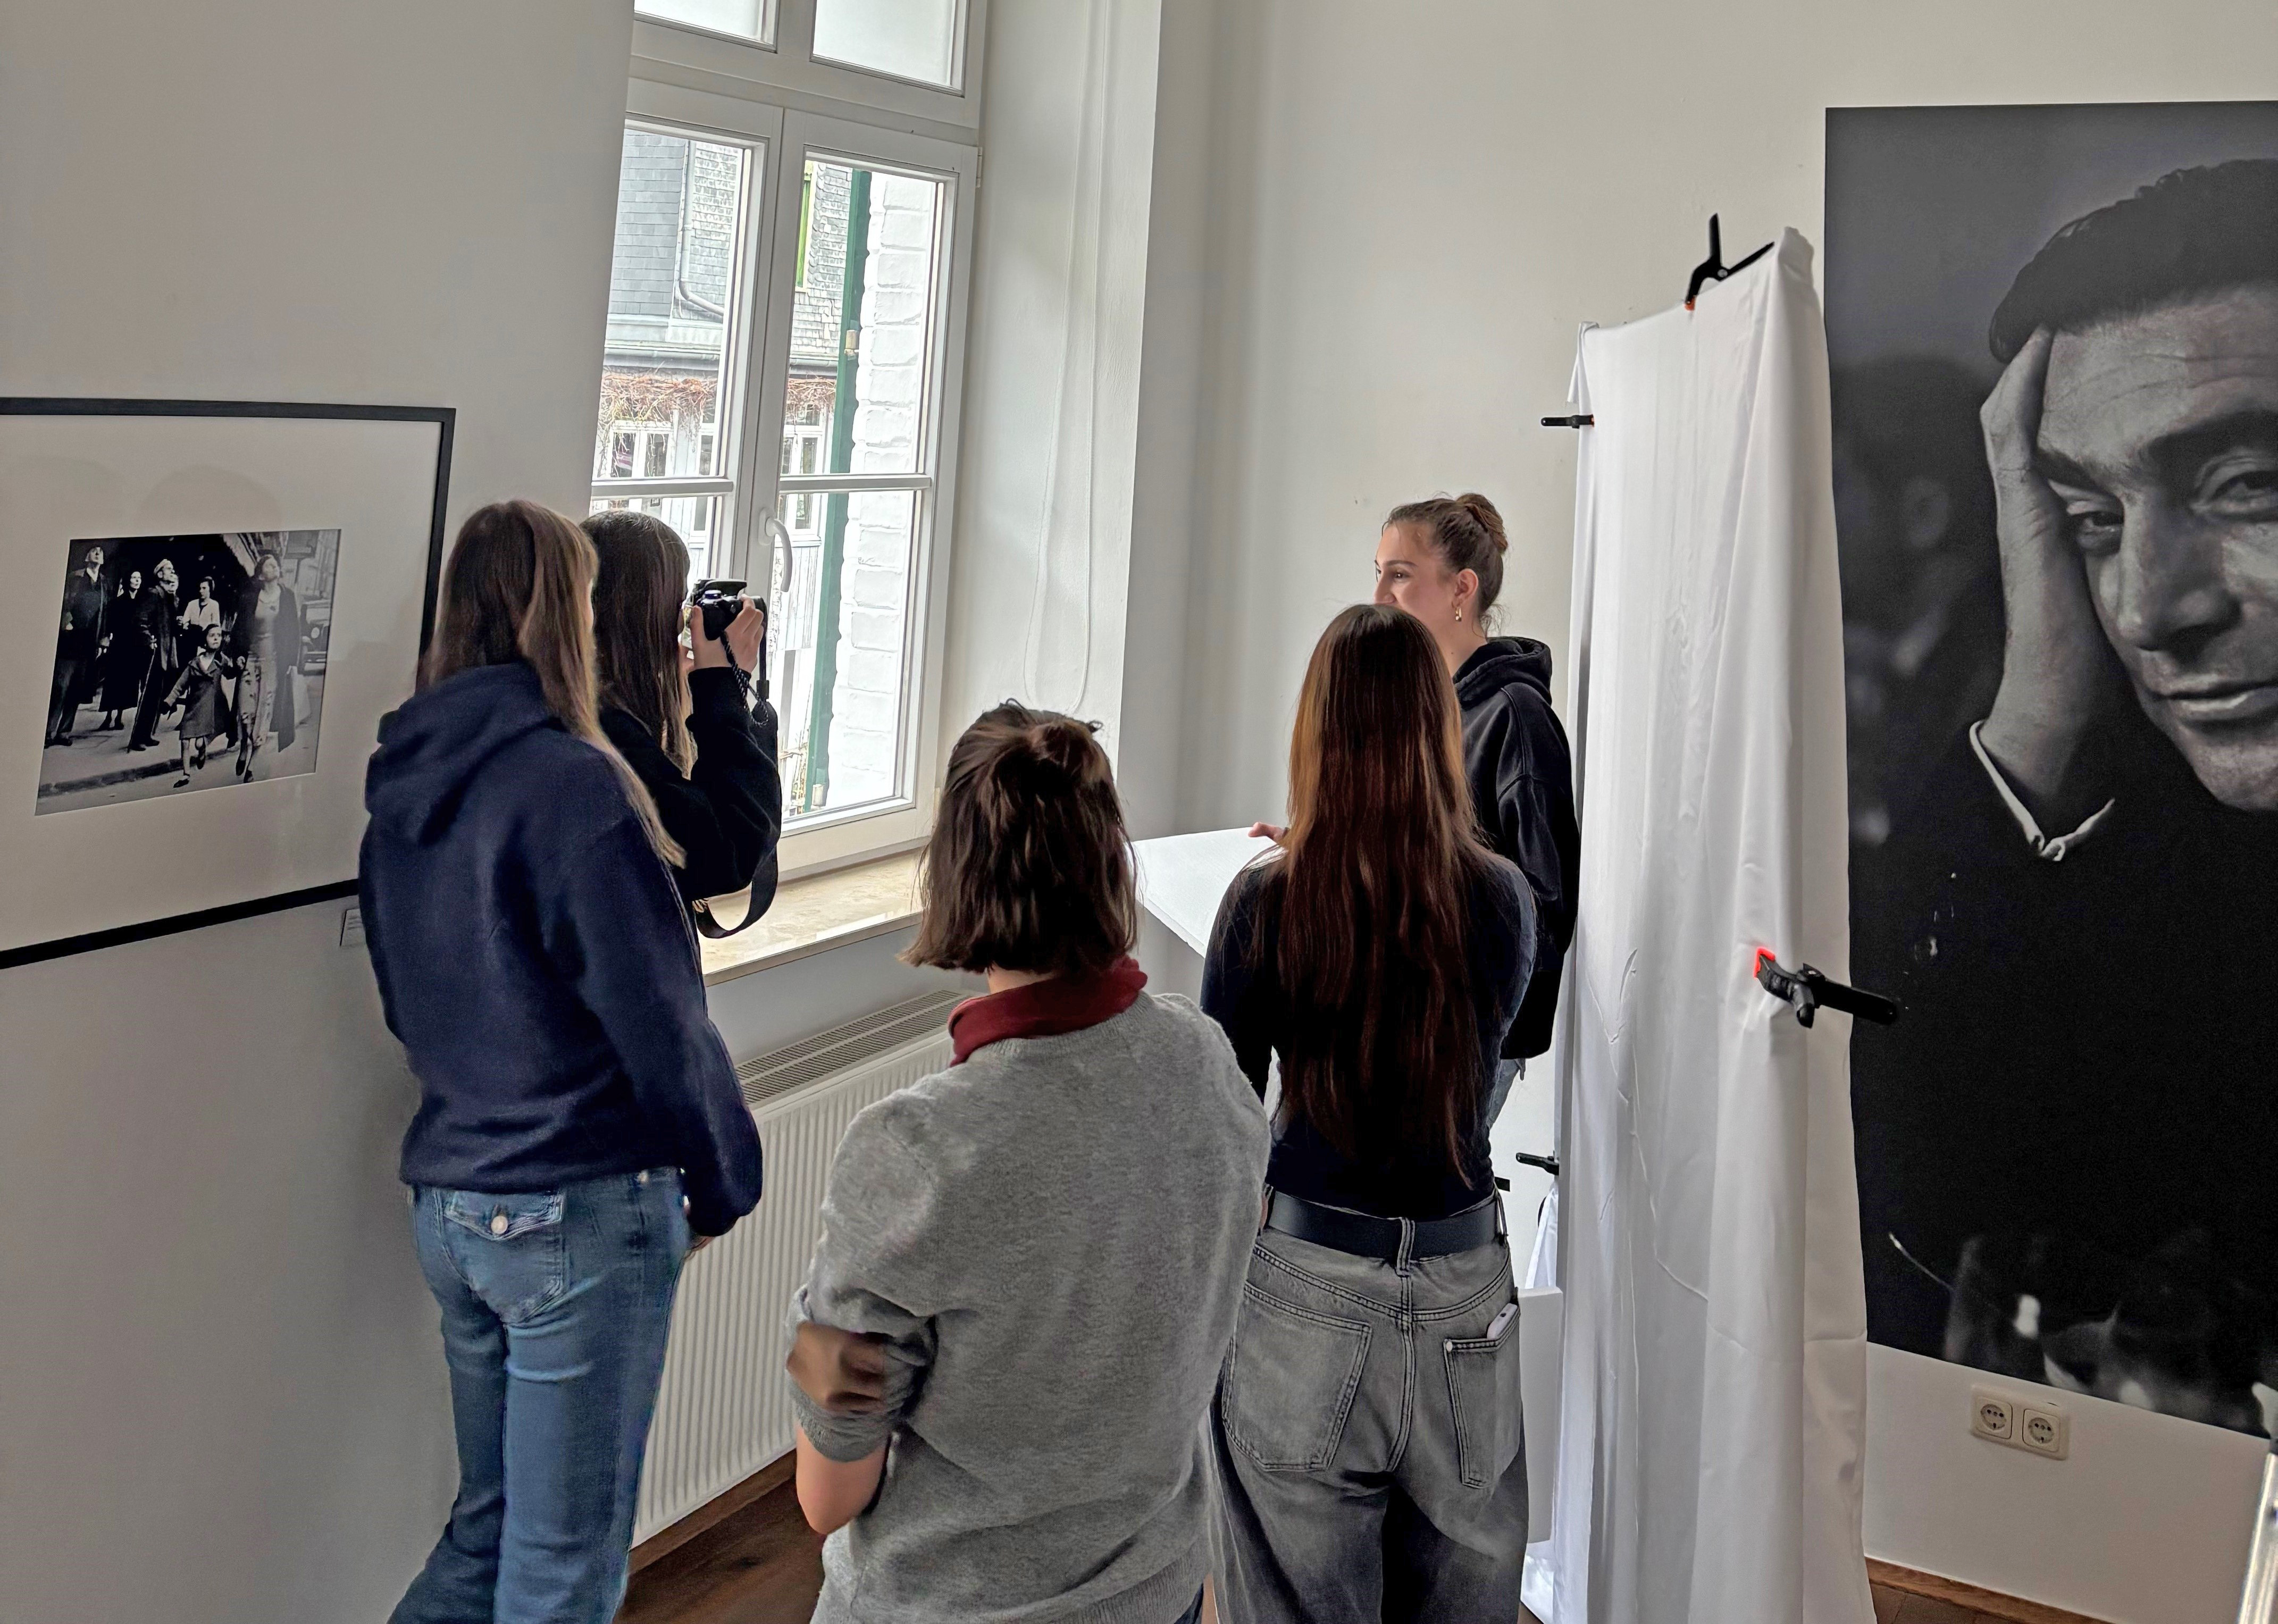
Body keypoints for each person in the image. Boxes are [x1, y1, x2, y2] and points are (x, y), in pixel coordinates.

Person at [1855, 158, 2278, 1432]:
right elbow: (1907, 1220)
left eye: (2245, 484)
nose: (2152, 608)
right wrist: (2039, 708)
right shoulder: (2160, 860)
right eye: (2091, 519)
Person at [359, 499, 764, 1622]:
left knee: (489, 1540)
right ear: (571, 620)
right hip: (572, 1210)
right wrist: (726, 1179)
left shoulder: (402, 785)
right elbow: (660, 1019)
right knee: (564, 1573)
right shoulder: (575, 785)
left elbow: (410, 1002)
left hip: (452, 1201)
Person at [782, 702, 1268, 1624]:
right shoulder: (1207, 1068)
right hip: (1152, 1592)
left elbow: (825, 1494)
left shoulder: (911, 1151)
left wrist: (816, 1323)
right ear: (1108, 864)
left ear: (954, 875)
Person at [1202, 604, 1536, 1621]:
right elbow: (1478, 1080)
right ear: (1437, 732)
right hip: (1461, 1285)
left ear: (1316, 734)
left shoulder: (1265, 904)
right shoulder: (1503, 899)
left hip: (1303, 1284)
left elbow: (1224, 1120)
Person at [1371, 493, 1576, 1123]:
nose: (1380, 595)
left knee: (1422, 1209)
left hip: (1462, 1042)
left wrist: (1472, 1020)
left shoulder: (1516, 716)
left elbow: (1547, 908)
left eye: (1400, 574)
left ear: (1462, 588)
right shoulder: (1427, 712)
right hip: (1406, 1024)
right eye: (1377, 572)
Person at [583, 510, 782, 918]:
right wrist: (720, 691)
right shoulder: (605, 737)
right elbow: (730, 851)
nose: (683, 621)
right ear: (644, 617)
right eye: (678, 603)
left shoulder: (561, 699)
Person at [231, 549, 302, 780]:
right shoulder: (251, 596)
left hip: (273, 662)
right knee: (245, 710)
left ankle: (252, 763)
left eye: (276, 565)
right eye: (269, 566)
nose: (275, 568)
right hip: (251, 659)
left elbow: (294, 630)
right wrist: (237, 654)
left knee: (265, 711)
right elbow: (239, 627)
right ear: (261, 574)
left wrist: (292, 661)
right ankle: (243, 747)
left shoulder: (288, 596)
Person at [47, 544, 109, 747]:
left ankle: (64, 732)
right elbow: (63, 601)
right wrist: (66, 621)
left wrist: (103, 640)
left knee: (76, 689)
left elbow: (104, 612)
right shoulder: (75, 577)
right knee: (60, 687)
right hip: (70, 641)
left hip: (88, 643)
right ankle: (48, 732)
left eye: (101, 552)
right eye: (94, 551)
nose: (98, 553)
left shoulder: (103, 582)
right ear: (87, 557)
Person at [163, 622, 236, 788]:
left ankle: (202, 751)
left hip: (210, 709)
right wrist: (169, 701)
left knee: (199, 743)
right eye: (212, 635)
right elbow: (180, 686)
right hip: (193, 707)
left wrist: (238, 665)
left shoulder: (222, 661)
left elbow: (231, 674)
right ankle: (186, 774)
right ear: (205, 640)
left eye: (219, 635)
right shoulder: (194, 663)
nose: (216, 638)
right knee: (185, 741)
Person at [128, 557, 185, 750]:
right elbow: (140, 620)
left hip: (166, 654)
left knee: (157, 696)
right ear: (160, 574)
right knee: (149, 697)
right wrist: (148, 641)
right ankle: (137, 739)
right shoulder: (154, 594)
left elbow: (171, 623)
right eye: (169, 569)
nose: (172, 572)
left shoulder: (168, 596)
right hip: (153, 653)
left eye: (173, 569)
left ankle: (148, 734)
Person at [97, 566, 149, 731]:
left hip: (134, 648)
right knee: (114, 681)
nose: (137, 581)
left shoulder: (142, 603)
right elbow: (111, 624)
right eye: (134, 578)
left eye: (139, 578)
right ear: (128, 581)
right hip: (119, 646)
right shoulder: (118, 602)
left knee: (128, 683)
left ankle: (119, 717)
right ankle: (108, 717)